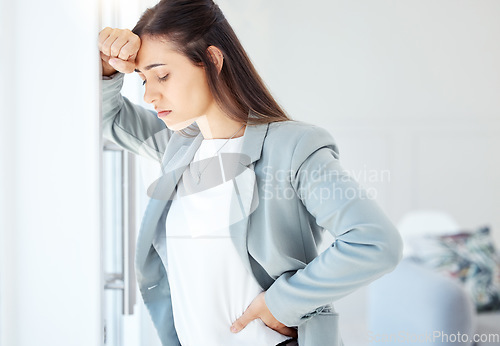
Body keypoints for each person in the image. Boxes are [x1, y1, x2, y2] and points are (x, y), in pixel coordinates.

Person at [97, 1, 404, 345]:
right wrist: (107, 67)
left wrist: (282, 303)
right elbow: (110, 120)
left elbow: (374, 241)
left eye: (162, 75)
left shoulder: (291, 147)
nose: (150, 94)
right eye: (142, 79)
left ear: (212, 59)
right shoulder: (179, 148)